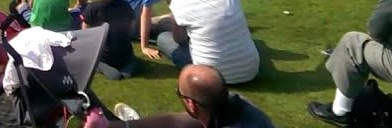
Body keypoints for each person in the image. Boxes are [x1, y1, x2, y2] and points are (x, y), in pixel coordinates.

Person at [109, 64, 275, 127]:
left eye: (179, 94)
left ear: (191, 104)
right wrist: (125, 126)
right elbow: (175, 121)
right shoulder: (237, 104)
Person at [81, 0, 138, 79]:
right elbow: (131, 29)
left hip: (103, 55)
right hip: (124, 53)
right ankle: (126, 67)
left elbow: (85, 33)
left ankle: (103, 67)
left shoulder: (92, 8)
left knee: (97, 61)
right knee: (129, 61)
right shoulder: (126, 6)